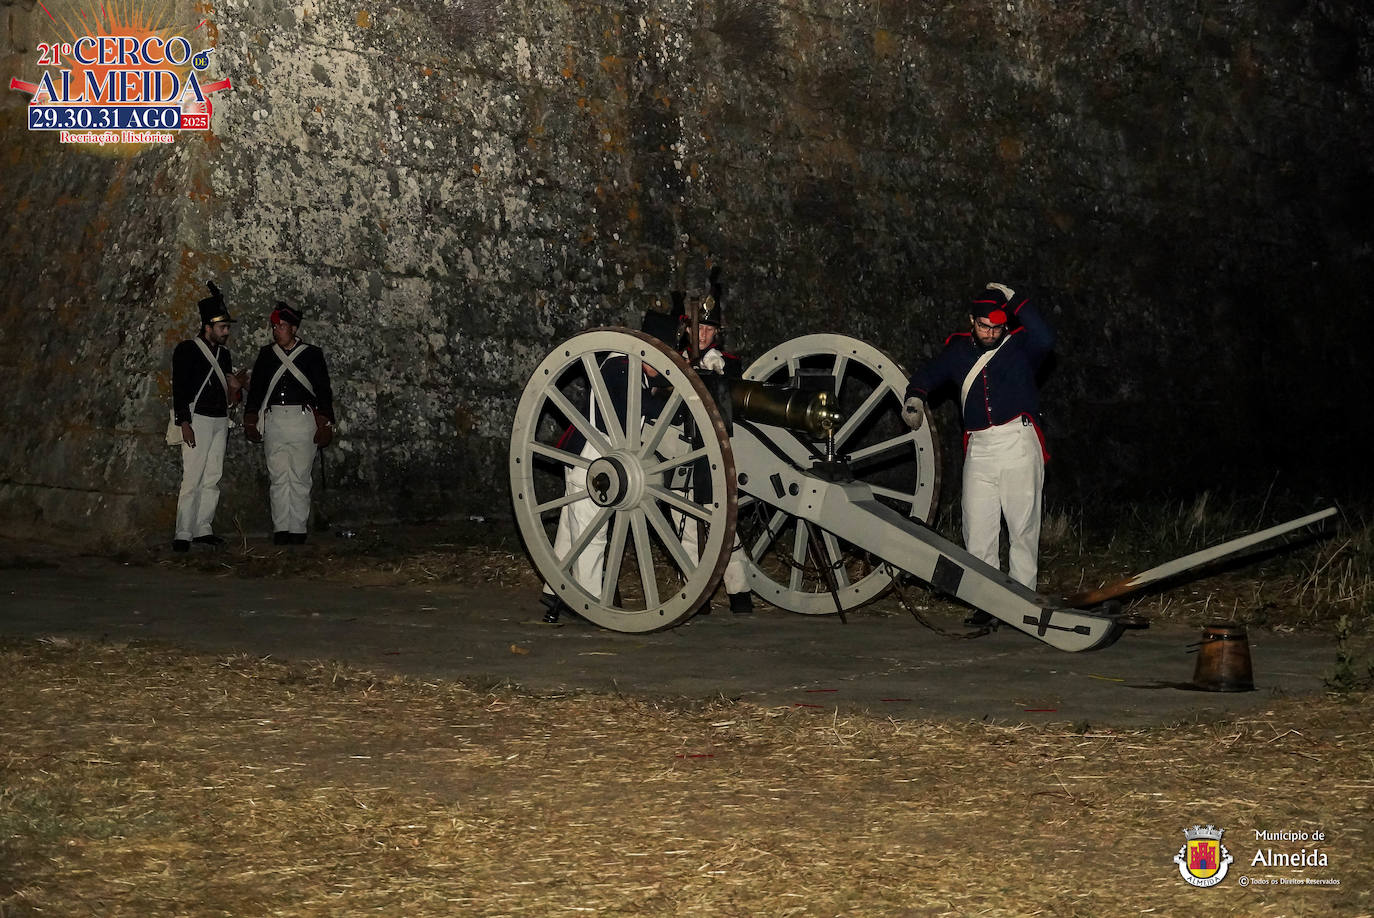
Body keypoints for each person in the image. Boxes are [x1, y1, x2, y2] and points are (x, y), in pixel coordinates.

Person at [902, 283, 1054, 625]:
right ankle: (988, 604)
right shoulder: (958, 350)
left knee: (1022, 527)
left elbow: (1046, 338)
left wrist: (1015, 299)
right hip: (980, 447)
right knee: (978, 527)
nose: (991, 333)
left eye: (997, 327)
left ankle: (1021, 602)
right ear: (972, 320)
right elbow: (930, 373)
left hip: (1017, 441)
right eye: (984, 326)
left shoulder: (1020, 346)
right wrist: (915, 395)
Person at [540, 309, 677, 623]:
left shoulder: (631, 366)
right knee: (592, 533)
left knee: (572, 528)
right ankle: (589, 603)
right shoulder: (620, 366)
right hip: (593, 459)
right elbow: (629, 409)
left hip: (597, 460)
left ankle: (555, 590)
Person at [676, 292, 752, 614]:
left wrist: (717, 372)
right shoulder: (672, 360)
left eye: (709, 329)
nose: (703, 334)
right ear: (687, 329)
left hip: (713, 457)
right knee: (686, 530)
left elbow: (735, 397)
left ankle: (740, 593)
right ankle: (696, 597)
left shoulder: (726, 362)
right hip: (680, 452)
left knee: (724, 527)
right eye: (699, 328)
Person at [242, 302, 335, 545]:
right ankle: (281, 528)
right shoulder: (267, 354)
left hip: (302, 420)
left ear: (293, 328)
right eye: (274, 326)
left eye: (281, 326)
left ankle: (298, 529)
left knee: (300, 476)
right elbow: (257, 389)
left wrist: (326, 422)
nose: (277, 330)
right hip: (274, 419)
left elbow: (323, 390)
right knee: (278, 476)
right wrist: (250, 417)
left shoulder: (312, 354)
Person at [171, 281, 243, 553]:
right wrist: (184, 422)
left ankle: (203, 528)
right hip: (197, 419)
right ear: (207, 326)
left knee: (212, 476)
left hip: (220, 419)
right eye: (222, 327)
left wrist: (235, 388)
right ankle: (183, 532)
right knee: (192, 478)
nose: (226, 332)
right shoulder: (187, 350)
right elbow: (179, 389)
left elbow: (230, 395)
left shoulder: (224, 355)